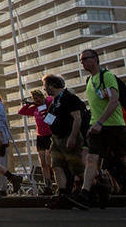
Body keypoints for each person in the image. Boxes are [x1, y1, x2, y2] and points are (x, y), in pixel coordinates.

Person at [66, 50, 126, 211]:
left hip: (113, 125)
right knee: (92, 158)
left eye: (85, 59)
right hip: (97, 126)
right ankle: (86, 194)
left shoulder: (106, 76)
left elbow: (114, 101)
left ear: (95, 59)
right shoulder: (89, 80)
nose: (82, 62)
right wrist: (94, 123)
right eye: (80, 60)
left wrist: (100, 122)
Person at [40, 74, 85, 210]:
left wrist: (72, 137)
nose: (44, 89)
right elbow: (53, 119)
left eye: (45, 86)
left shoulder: (69, 98)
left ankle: (96, 187)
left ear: (52, 85)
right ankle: (63, 195)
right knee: (57, 166)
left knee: (75, 167)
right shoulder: (55, 102)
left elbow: (77, 118)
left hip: (68, 136)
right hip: (57, 138)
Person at [19, 89, 54, 196]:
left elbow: (50, 99)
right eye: (34, 99)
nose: (36, 100)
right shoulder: (35, 108)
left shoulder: (48, 105)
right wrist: (29, 104)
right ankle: (47, 185)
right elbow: (22, 111)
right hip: (40, 136)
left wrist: (44, 100)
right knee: (43, 163)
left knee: (49, 162)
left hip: (49, 135)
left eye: (37, 98)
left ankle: (54, 181)